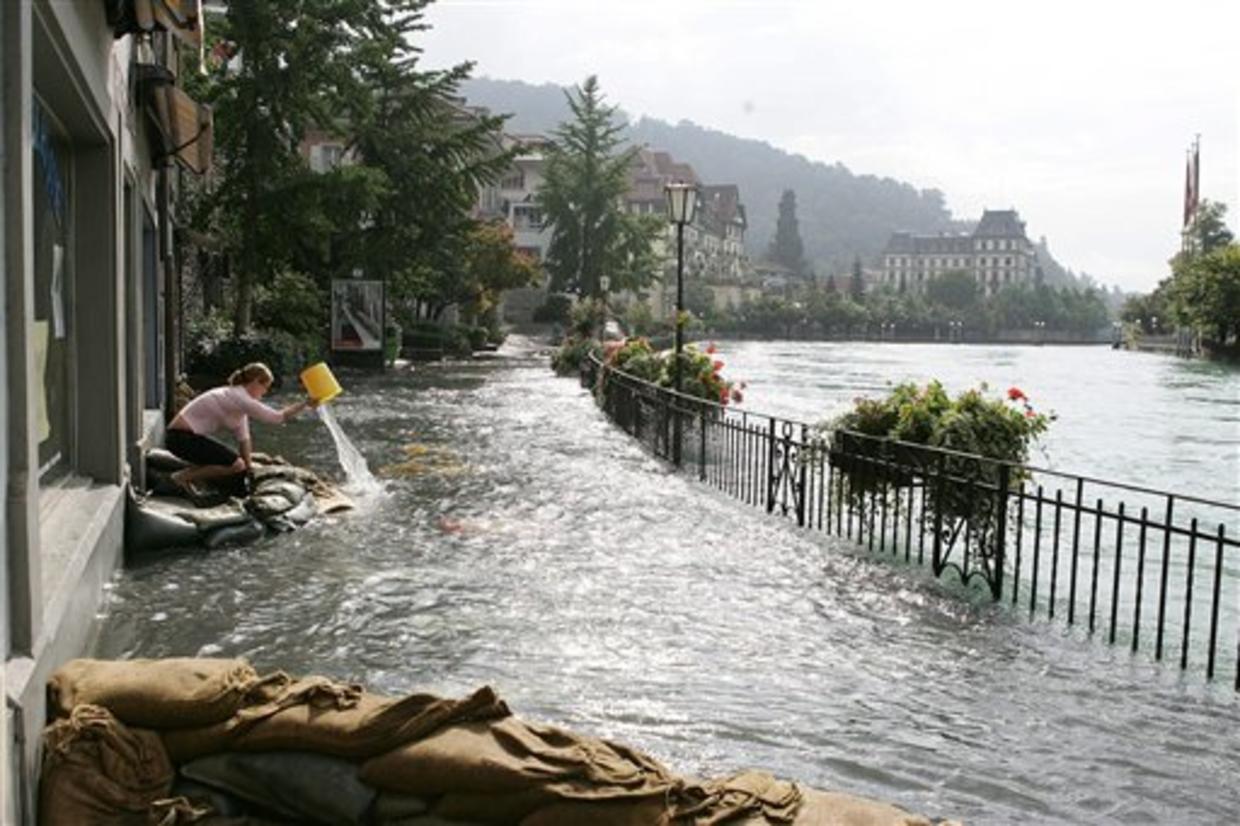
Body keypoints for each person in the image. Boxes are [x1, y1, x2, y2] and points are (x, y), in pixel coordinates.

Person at [165, 362, 316, 495]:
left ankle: (191, 482)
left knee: (240, 465)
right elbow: (277, 417)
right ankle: (179, 478)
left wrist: (249, 470)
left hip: (184, 438)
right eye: (265, 387)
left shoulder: (238, 402)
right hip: (180, 438)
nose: (265, 392)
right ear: (256, 382)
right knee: (236, 465)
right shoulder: (239, 397)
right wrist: (305, 403)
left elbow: (244, 440)